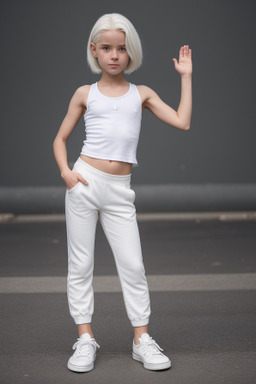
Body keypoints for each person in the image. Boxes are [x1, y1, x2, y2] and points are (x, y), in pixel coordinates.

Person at [53, 12, 192, 373]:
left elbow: (182, 121)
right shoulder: (84, 93)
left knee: (133, 265)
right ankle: (84, 338)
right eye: (107, 48)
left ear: (131, 52)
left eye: (122, 48)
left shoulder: (141, 94)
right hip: (83, 183)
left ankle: (141, 339)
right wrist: (67, 172)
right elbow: (60, 139)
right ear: (94, 51)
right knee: (80, 264)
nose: (114, 55)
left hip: (119, 190)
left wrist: (186, 78)